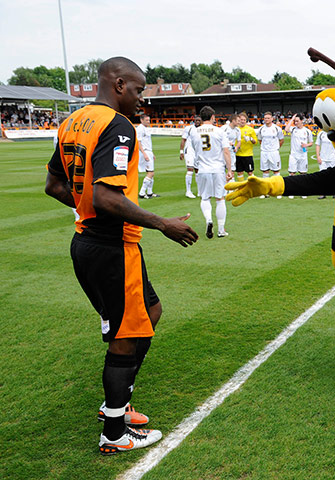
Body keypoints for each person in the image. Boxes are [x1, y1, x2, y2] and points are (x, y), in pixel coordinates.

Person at [44, 57, 198, 455]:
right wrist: (162, 222)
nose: (140, 98)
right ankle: (113, 431)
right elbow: (106, 196)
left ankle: (119, 402)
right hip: (113, 248)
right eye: (138, 90)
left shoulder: (73, 122)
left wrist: (86, 210)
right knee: (125, 338)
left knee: (150, 313)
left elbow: (55, 185)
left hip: (88, 244)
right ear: (118, 84)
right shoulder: (117, 125)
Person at [189, 106, 234, 237]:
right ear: (213, 117)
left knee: (205, 198)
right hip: (218, 169)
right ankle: (221, 230)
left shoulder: (194, 132)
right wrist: (230, 169)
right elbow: (226, 151)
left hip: (202, 169)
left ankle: (209, 220)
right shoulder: (220, 132)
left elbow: (195, 149)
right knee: (220, 199)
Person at [285, 114, 314, 198]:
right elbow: (286, 129)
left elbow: (311, 143)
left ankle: (303, 191)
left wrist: (306, 145)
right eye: (295, 121)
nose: (296, 122)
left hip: (303, 155)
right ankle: (291, 191)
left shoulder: (307, 131)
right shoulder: (293, 129)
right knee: (292, 173)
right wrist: (292, 119)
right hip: (293, 154)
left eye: (297, 121)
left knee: (303, 173)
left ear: (302, 121)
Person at [257, 112, 285, 187]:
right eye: (265, 118)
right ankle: (266, 189)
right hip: (264, 152)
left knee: (276, 171)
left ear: (272, 119)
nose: (266, 119)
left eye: (268, 118)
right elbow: (260, 140)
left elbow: (281, 140)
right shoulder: (261, 129)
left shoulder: (277, 128)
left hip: (274, 152)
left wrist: (276, 148)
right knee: (265, 171)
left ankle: (277, 188)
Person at [179, 115, 201, 198]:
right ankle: (188, 191)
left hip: (198, 152)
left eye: (199, 120)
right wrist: (181, 151)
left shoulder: (202, 129)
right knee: (190, 170)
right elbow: (183, 140)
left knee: (198, 172)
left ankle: (200, 191)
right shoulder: (189, 128)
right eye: (196, 120)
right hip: (189, 151)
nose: (197, 122)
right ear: (194, 121)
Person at [136, 114, 158, 199]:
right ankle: (142, 192)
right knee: (150, 172)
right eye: (146, 120)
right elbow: (138, 142)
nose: (148, 122)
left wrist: (152, 153)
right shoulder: (140, 129)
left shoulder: (145, 129)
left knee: (151, 172)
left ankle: (149, 192)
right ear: (141, 120)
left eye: (149, 120)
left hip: (148, 151)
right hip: (144, 152)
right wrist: (144, 153)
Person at [315, 129, 335, 199]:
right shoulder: (321, 134)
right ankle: (323, 193)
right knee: (322, 176)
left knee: (333, 175)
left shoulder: (334, 133)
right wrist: (318, 156)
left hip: (332, 157)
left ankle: (334, 192)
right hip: (323, 158)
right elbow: (318, 145)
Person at [234, 111, 258, 181]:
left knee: (250, 172)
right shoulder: (235, 129)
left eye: (244, 120)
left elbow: (255, 142)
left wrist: (250, 139)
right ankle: (241, 188)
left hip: (248, 155)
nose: (242, 121)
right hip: (238, 154)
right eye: (241, 120)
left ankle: (252, 188)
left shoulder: (250, 129)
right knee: (239, 172)